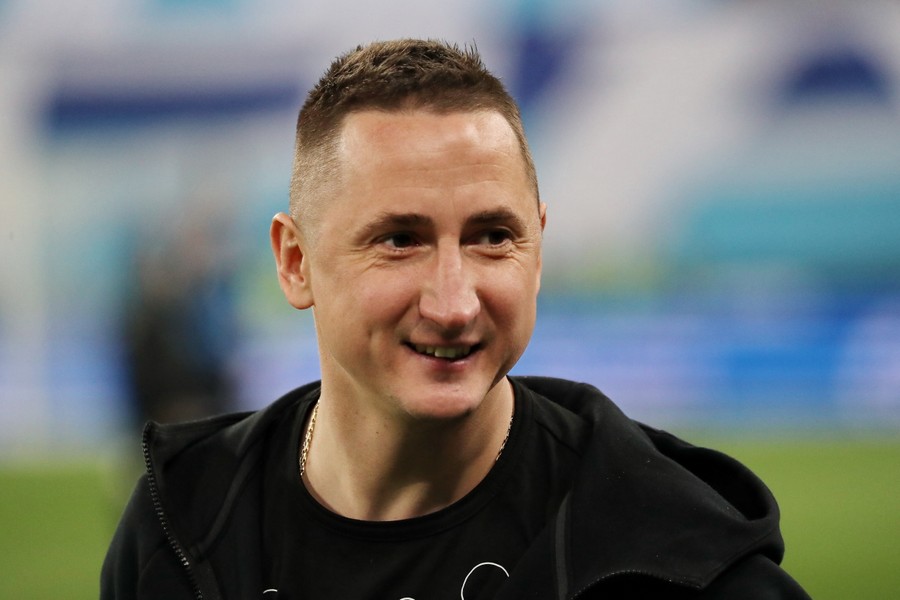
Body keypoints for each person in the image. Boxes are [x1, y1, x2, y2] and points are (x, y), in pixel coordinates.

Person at [101, 39, 811, 599]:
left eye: (492, 237)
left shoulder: (675, 555)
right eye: (399, 240)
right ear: (295, 262)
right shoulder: (178, 530)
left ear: (537, 250)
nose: (454, 304)